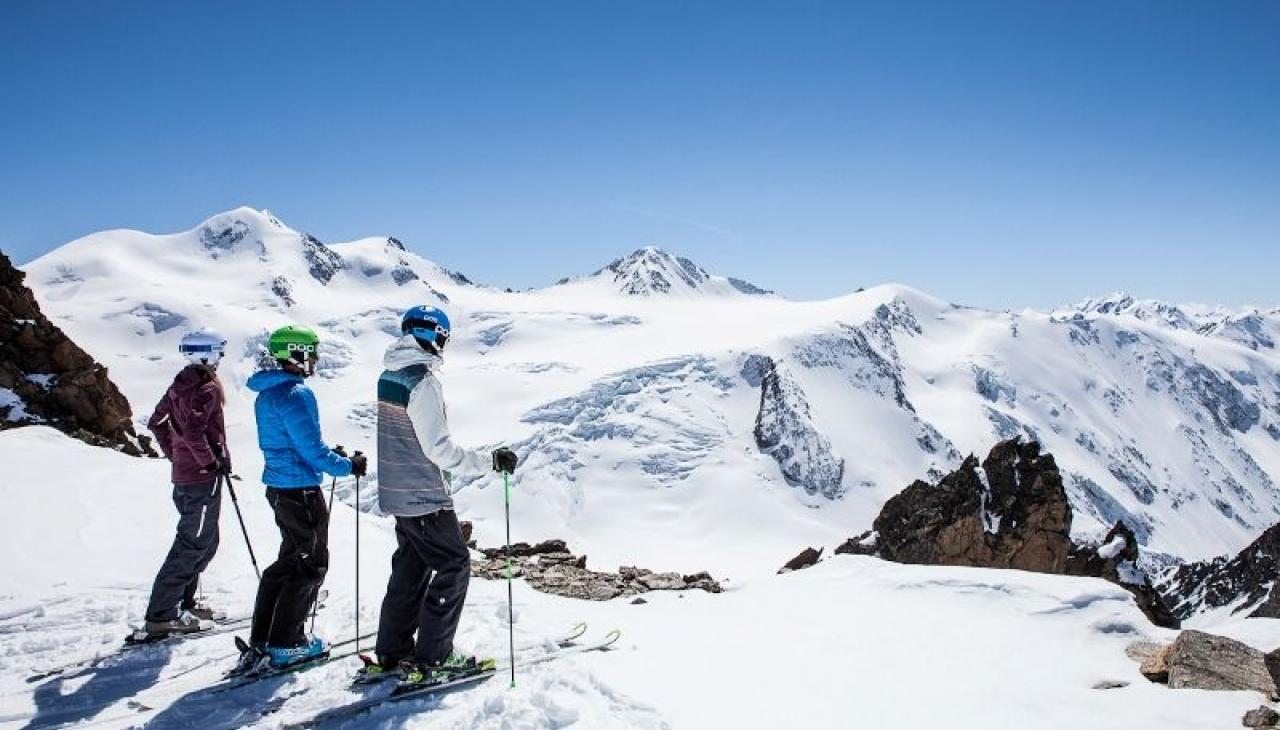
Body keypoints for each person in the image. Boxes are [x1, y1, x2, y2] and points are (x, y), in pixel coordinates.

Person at [357, 305, 517, 686]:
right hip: (424, 496)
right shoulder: (422, 383)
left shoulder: (390, 374)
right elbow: (440, 450)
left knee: (410, 570)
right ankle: (435, 657)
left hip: (397, 493)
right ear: (434, 336)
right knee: (454, 565)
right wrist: (491, 462)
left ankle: (392, 651)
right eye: (444, 336)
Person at [231, 325, 367, 675]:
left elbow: (294, 444)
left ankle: (264, 638)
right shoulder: (296, 393)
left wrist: (327, 457)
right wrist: (347, 464)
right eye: (312, 353)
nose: (316, 360)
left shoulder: (268, 392)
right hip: (301, 490)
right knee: (310, 564)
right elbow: (312, 451)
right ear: (297, 354)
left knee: (287, 562)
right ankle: (287, 644)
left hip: (280, 486)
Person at [140, 329, 231, 638]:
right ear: (207, 355)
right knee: (192, 545)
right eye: (219, 352)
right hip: (201, 480)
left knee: (205, 542)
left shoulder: (181, 384)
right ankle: (162, 615)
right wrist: (210, 463)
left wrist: (175, 455)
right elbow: (194, 433)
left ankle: (183, 605)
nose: (221, 358)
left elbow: (157, 423)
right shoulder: (206, 388)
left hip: (186, 476)